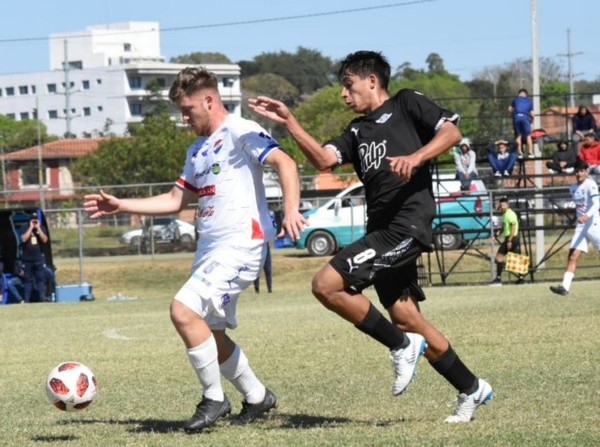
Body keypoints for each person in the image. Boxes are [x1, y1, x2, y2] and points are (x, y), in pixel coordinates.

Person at [248, 50, 493, 423]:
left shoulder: (407, 102)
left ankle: (400, 346)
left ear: (372, 80)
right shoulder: (356, 131)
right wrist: (290, 122)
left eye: (348, 85)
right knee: (407, 317)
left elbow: (451, 132)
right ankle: (472, 388)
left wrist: (417, 156)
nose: (344, 94)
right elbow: (323, 160)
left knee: (326, 285)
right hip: (381, 230)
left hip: (407, 225)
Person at [83, 67, 307, 432]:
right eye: (180, 112)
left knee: (182, 310)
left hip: (241, 245)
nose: (184, 118)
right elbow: (175, 199)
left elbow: (285, 161)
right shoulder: (197, 149)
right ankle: (257, 396)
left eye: (188, 109)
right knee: (210, 333)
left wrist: (293, 209)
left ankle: (214, 399)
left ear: (209, 99)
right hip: (208, 249)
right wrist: (122, 205)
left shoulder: (240, 130)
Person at [550, 159, 600, 296]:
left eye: (582, 171)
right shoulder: (572, 188)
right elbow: (579, 207)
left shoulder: (591, 185)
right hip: (581, 227)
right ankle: (565, 288)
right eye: (577, 171)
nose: (579, 174)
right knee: (572, 256)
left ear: (587, 172)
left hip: (593, 224)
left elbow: (597, 204)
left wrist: (587, 216)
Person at [19, 212, 49, 303]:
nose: (35, 221)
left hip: (38, 259)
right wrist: (31, 228)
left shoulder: (41, 228)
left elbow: (45, 240)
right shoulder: (24, 227)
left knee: (41, 279)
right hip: (27, 259)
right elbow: (23, 239)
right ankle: (27, 299)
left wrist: (38, 228)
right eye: (33, 220)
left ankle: (42, 298)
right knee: (28, 280)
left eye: (36, 220)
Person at [491, 197, 520, 285]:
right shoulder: (505, 214)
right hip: (511, 238)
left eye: (504, 205)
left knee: (499, 257)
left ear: (507, 205)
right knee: (516, 259)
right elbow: (503, 227)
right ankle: (521, 279)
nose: (502, 207)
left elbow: (513, 227)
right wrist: (495, 235)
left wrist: (509, 240)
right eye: (501, 205)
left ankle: (498, 279)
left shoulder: (510, 214)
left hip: (511, 238)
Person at [508, 88, 534, 158]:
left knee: (518, 135)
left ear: (519, 94)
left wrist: (513, 114)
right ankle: (530, 153)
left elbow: (509, 109)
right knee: (528, 135)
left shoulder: (515, 100)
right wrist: (531, 122)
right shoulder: (529, 102)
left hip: (516, 117)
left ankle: (520, 153)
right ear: (526, 95)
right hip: (525, 117)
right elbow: (532, 114)